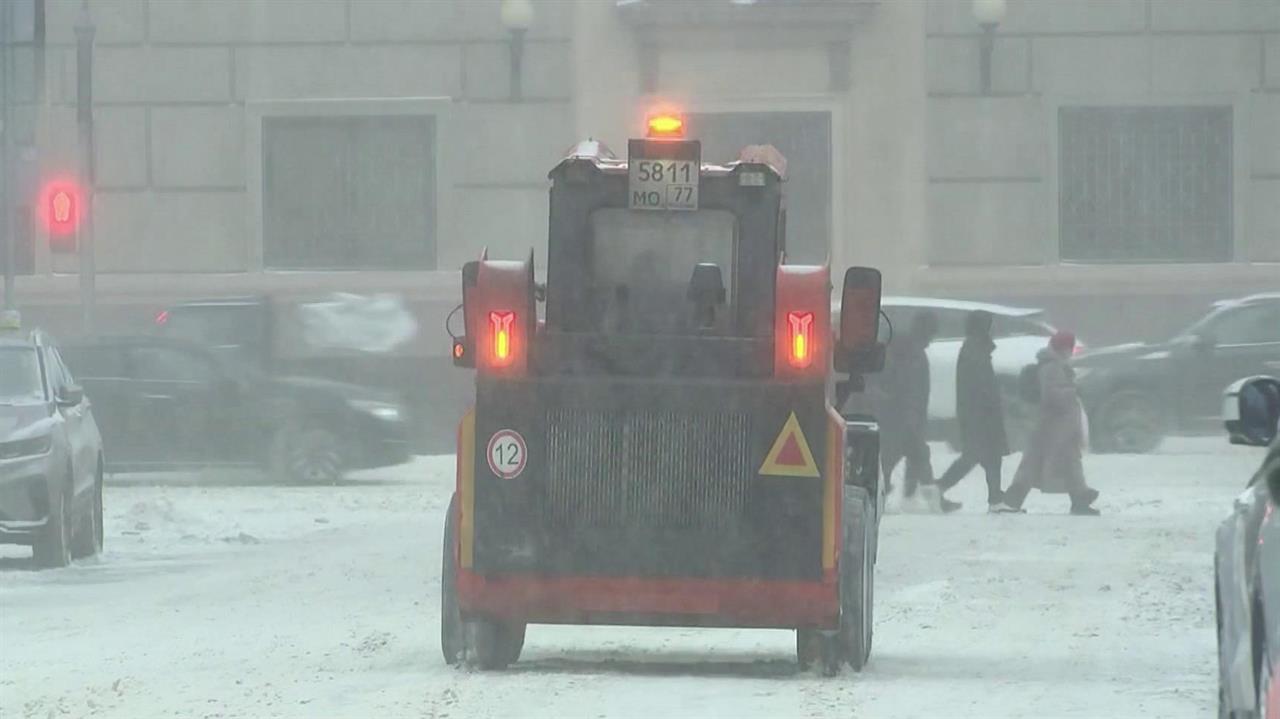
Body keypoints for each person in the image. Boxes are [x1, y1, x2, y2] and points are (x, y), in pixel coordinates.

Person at [1003, 330, 1101, 516]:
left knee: (1066, 462)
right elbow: (1051, 395)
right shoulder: (1052, 367)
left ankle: (1080, 498)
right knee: (1035, 464)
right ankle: (1013, 500)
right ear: (1062, 348)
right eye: (1069, 348)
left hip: (1057, 426)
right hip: (1052, 426)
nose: (1070, 352)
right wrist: (1073, 390)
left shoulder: (1055, 365)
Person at [936, 310, 1019, 513]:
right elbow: (980, 386)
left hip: (981, 413)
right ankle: (938, 488)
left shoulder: (976, 347)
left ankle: (995, 499)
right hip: (980, 415)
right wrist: (992, 404)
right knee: (974, 455)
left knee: (991, 457)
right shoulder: (974, 348)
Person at [875, 311, 944, 504]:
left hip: (898, 415)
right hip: (903, 417)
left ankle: (908, 494)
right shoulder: (912, 354)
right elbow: (911, 389)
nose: (930, 342)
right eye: (930, 336)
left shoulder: (905, 350)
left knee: (909, 455)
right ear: (923, 332)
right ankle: (917, 497)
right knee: (908, 455)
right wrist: (912, 416)